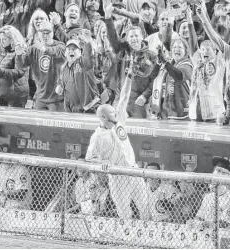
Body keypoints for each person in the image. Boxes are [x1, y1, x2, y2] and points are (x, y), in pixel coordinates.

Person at [85, 61, 149, 220]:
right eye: (112, 114)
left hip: (133, 171)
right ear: (103, 117)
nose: (116, 114)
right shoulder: (98, 136)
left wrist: (129, 77)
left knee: (145, 207)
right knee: (124, 212)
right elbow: (89, 158)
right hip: (118, 176)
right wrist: (101, 163)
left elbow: (124, 97)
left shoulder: (118, 121)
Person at [104, 0, 159, 118]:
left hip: (140, 103)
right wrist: (108, 18)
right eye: (131, 36)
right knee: (117, 133)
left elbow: (154, 81)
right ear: (127, 39)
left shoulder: (152, 55)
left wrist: (145, 95)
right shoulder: (123, 51)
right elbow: (113, 38)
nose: (134, 39)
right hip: (121, 101)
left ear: (142, 37)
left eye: (136, 36)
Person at [16, 21, 65, 111]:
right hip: (40, 97)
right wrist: (18, 54)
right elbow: (21, 66)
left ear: (53, 32)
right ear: (38, 33)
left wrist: (44, 48)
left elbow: (55, 52)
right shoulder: (34, 49)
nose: (45, 35)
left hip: (57, 99)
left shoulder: (60, 46)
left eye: (48, 32)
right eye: (42, 33)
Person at [190, 158, 230, 229]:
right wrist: (194, 222)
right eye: (215, 170)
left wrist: (204, 224)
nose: (212, 181)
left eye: (219, 170)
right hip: (207, 235)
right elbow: (199, 216)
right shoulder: (208, 197)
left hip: (225, 237)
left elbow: (225, 223)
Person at [0, 25, 29, 108]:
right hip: (1, 95)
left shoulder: (21, 52)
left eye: (4, 39)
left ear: (12, 39)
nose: (1, 42)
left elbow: (19, 72)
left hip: (16, 96)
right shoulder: (0, 52)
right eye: (0, 39)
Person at [150, 38, 193, 120]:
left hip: (182, 113)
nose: (176, 49)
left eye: (180, 47)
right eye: (174, 47)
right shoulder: (170, 65)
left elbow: (179, 76)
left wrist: (166, 63)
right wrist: (159, 63)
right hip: (167, 111)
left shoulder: (187, 65)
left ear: (186, 51)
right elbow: (153, 79)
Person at [55, 38, 101, 113]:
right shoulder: (63, 68)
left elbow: (88, 58)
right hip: (71, 109)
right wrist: (59, 86)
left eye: (74, 49)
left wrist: (88, 41)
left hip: (88, 108)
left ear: (79, 52)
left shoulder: (82, 63)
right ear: (65, 53)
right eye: (69, 49)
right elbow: (60, 81)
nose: (71, 51)